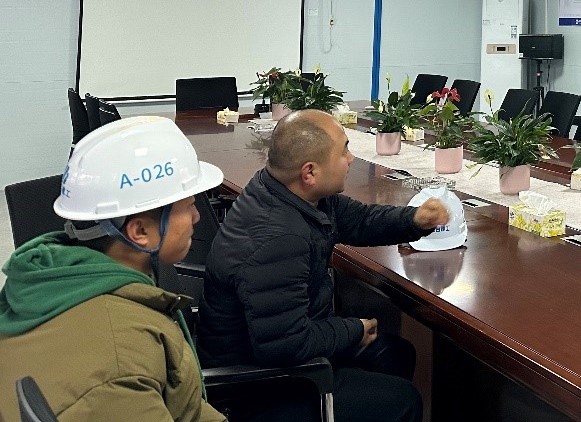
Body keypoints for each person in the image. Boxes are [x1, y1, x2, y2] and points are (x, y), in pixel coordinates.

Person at [198, 109, 450, 422]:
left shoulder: (290, 192)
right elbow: (286, 345)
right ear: (310, 173)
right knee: (403, 401)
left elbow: (360, 220)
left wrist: (414, 220)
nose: (351, 158)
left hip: (283, 352)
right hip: (257, 388)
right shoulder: (277, 238)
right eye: (344, 151)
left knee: (394, 354)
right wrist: (353, 330)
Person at [0, 115, 226, 421]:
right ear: (140, 232)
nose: (197, 217)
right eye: (188, 207)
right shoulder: (119, 365)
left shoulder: (61, 280)